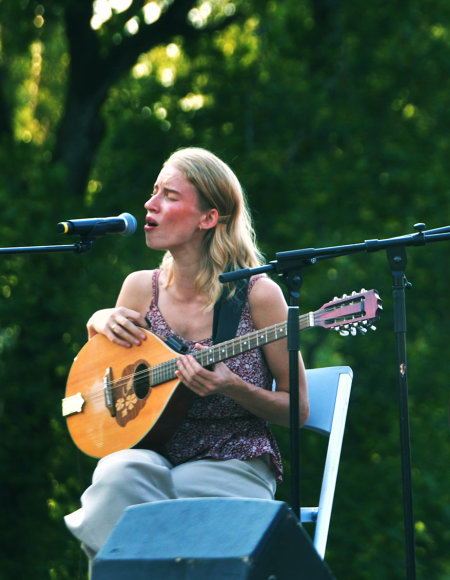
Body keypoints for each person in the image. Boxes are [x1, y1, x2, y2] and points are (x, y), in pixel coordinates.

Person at [65, 147, 308, 558]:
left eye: (170, 196)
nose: (150, 203)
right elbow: (102, 382)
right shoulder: (140, 288)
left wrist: (234, 388)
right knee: (114, 478)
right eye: (154, 191)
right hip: (150, 456)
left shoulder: (259, 296)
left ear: (208, 218)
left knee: (174, 514)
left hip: (232, 460)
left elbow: (298, 409)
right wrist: (98, 322)